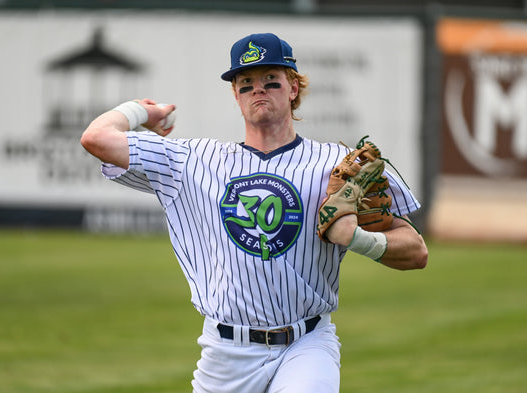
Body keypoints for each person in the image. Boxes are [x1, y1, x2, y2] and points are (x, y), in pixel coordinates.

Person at [81, 32, 428, 393]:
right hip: (225, 351)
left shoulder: (334, 165)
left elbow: (416, 251)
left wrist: (357, 239)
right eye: (245, 83)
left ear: (293, 88)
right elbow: (96, 138)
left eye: (270, 81)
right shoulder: (193, 161)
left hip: (306, 343)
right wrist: (142, 110)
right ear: (235, 96)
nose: (257, 90)